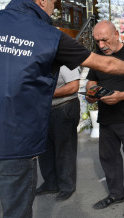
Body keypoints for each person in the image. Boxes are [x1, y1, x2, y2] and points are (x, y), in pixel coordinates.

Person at [0, 0, 124, 218]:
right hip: (12, 143)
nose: (54, 10)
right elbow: (103, 65)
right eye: (54, 3)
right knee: (15, 211)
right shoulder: (48, 36)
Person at [85, 20, 124, 217]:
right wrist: (90, 92)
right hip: (106, 118)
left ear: (116, 34)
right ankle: (116, 194)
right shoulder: (98, 57)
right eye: (97, 41)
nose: (101, 45)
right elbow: (91, 80)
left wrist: (122, 96)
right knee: (108, 158)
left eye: (104, 40)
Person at [36, 66, 80, 202]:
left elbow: (73, 86)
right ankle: (51, 183)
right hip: (43, 110)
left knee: (64, 149)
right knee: (44, 150)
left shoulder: (64, 60)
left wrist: (47, 93)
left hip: (63, 107)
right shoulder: (37, 60)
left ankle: (67, 186)